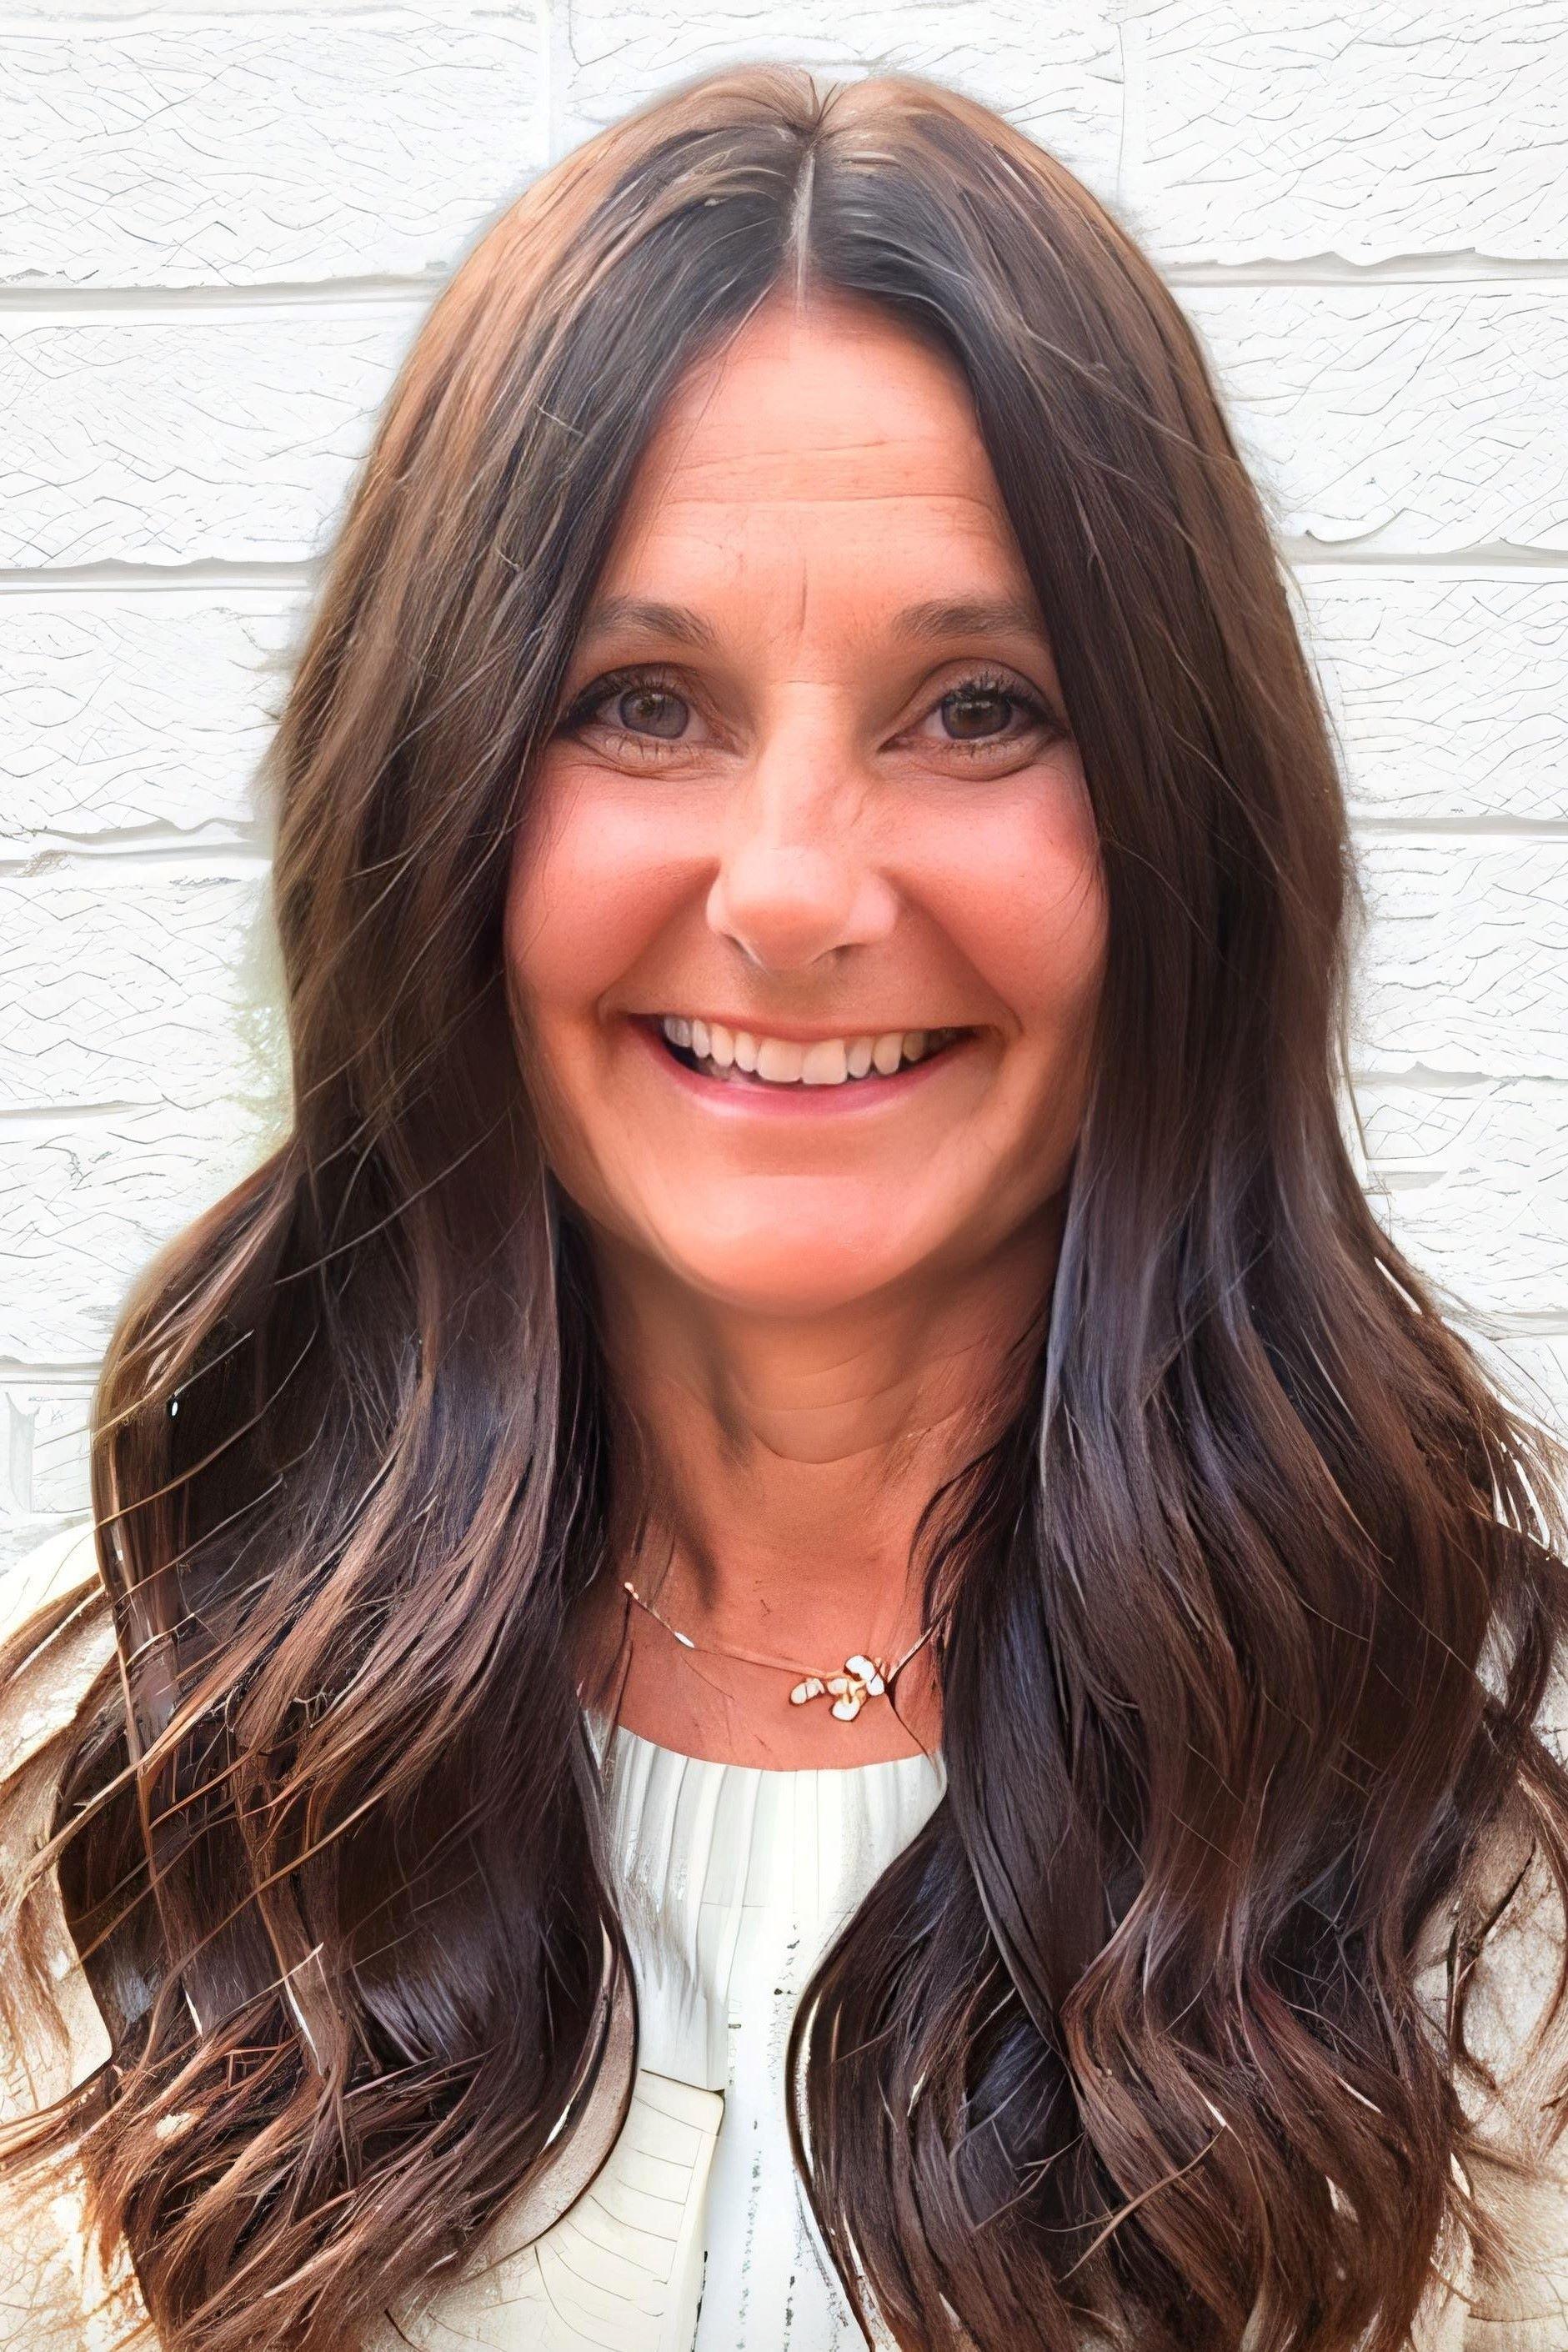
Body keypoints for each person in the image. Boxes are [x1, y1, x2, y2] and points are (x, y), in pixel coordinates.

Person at [1, 58, 1565, 2352]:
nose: (800, 891)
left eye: (980, 708)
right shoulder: (109, 1815)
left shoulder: (1493, 1855)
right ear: (426, 808)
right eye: (639, 702)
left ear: (1181, 831)